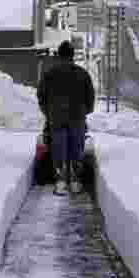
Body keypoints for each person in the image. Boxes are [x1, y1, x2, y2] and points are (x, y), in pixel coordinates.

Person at [37, 40, 95, 195]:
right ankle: (75, 181)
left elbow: (41, 96)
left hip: (56, 119)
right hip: (77, 118)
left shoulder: (49, 74)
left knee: (58, 148)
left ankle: (60, 181)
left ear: (59, 55)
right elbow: (90, 97)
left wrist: (48, 112)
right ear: (73, 56)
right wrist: (85, 112)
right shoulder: (83, 74)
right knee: (77, 148)